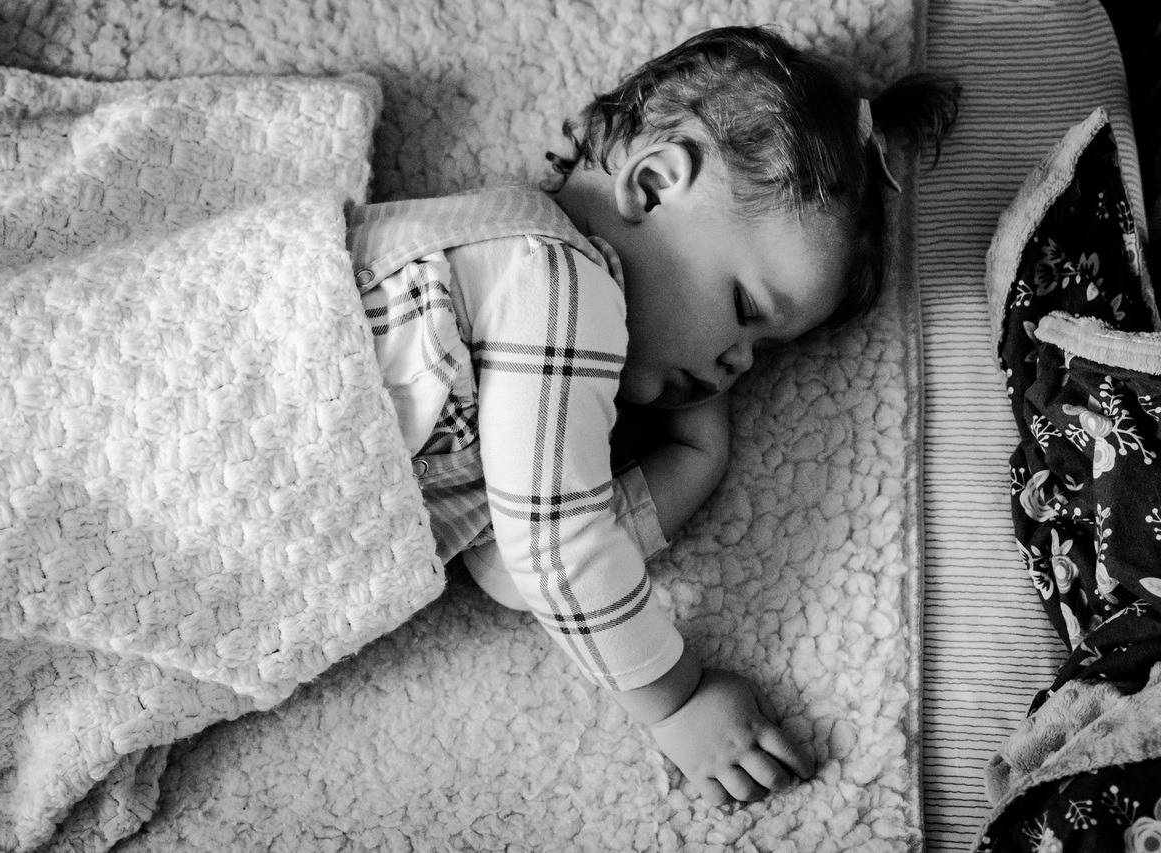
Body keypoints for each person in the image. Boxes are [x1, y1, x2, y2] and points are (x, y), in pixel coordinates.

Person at [346, 25, 959, 807]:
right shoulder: (553, 273)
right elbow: (556, 546)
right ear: (656, 184)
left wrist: (695, 453)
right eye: (746, 309)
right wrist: (677, 699)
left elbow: (509, 566)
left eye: (765, 351)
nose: (740, 365)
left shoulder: (531, 342)